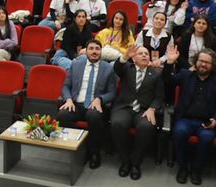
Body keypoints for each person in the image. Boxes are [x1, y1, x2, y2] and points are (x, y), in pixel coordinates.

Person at [164, 46, 216, 185]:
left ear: (213, 65)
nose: (203, 64)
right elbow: (167, 80)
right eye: (200, 61)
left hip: (206, 122)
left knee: (206, 137)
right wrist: (169, 62)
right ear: (196, 61)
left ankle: (197, 169)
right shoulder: (186, 75)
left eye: (207, 62)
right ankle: (183, 167)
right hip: (185, 119)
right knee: (179, 132)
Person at [57, 39, 116, 170]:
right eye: (91, 49)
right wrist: (68, 99)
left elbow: (112, 93)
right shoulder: (76, 64)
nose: (94, 52)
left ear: (101, 52)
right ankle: (80, 146)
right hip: (76, 103)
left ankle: (94, 152)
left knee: (94, 117)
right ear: (86, 51)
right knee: (62, 115)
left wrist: (100, 99)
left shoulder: (108, 68)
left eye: (97, 49)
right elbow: (66, 86)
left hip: (96, 105)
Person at [111, 45, 164, 180]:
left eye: (147, 54)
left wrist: (152, 109)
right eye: (141, 53)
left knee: (146, 127)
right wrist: (125, 56)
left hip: (144, 110)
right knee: (117, 124)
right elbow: (117, 68)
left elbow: (159, 97)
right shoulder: (127, 68)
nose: (145, 55)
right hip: (124, 107)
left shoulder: (156, 74)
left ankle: (135, 162)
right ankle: (125, 161)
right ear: (134, 58)